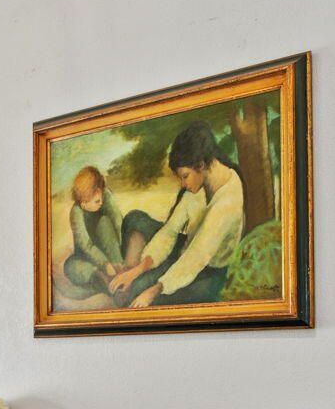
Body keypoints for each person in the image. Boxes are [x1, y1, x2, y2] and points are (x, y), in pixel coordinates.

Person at [104, 120, 246, 308]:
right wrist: (137, 270)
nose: (182, 184)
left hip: (208, 271)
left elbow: (197, 256)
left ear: (201, 165)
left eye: (185, 176)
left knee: (143, 294)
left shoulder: (228, 200)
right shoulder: (201, 181)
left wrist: (154, 291)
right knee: (134, 218)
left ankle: (131, 287)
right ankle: (128, 276)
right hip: (184, 251)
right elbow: (171, 231)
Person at [60, 165, 194, 305]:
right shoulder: (76, 212)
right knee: (70, 266)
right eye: (96, 201)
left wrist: (117, 263)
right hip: (91, 257)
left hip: (112, 251)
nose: (100, 203)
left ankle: (117, 279)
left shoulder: (105, 196)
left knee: (104, 223)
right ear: (83, 202)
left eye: (101, 197)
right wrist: (104, 264)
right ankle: (104, 280)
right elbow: (85, 245)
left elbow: (118, 224)